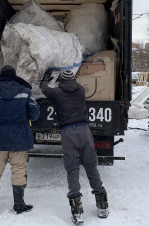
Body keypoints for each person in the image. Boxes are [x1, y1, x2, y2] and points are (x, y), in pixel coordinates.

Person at [40, 70, 109, 224]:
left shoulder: (56, 93)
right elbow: (72, 86)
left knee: (72, 168)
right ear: (74, 79)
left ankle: (77, 211)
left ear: (61, 82)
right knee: (91, 165)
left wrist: (46, 78)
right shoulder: (81, 90)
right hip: (84, 131)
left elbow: (43, 88)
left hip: (67, 133)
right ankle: (102, 204)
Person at [0, 65, 40, 214]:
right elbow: (34, 115)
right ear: (14, 75)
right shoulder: (25, 91)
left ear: (1, 75)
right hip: (19, 137)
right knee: (19, 170)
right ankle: (19, 205)